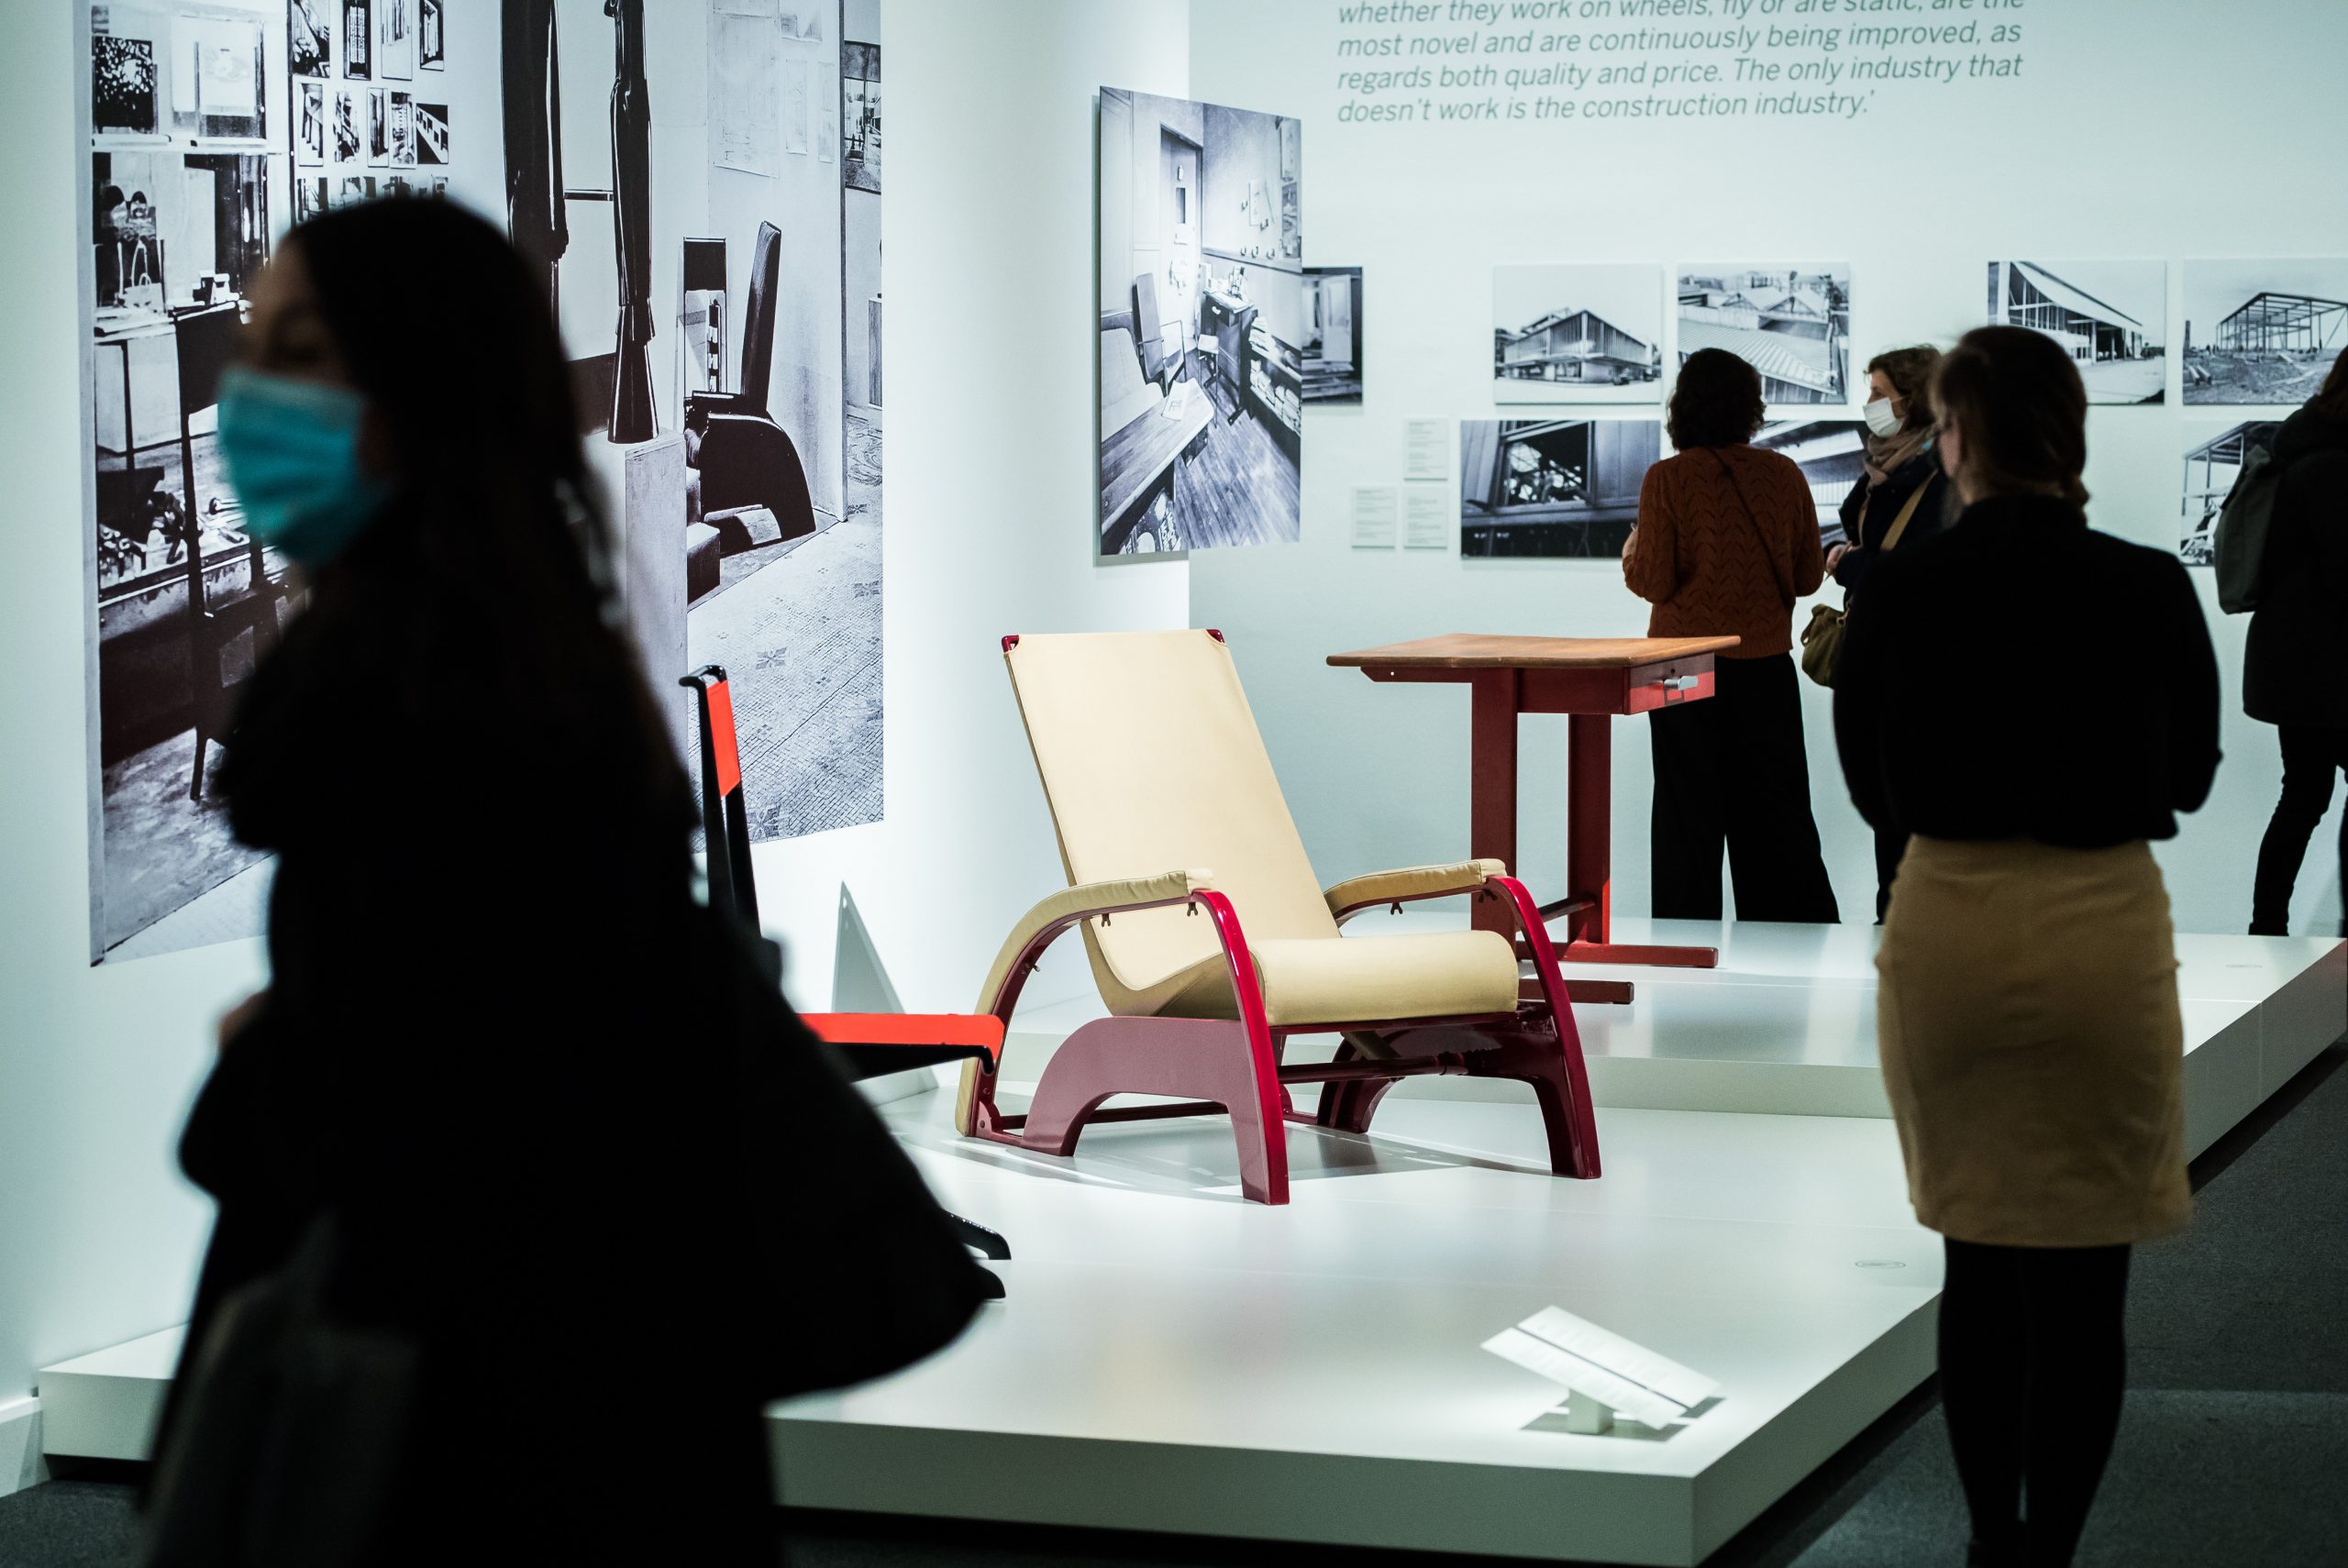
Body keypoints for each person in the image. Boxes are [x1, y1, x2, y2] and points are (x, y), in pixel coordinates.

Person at [147, 199, 986, 1566]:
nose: (250, 396)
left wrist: (270, 1061)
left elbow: (434, 1104)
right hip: (599, 1410)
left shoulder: (419, 711)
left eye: (296, 350)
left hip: (488, 1437)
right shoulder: (523, 663)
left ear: (413, 392)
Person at [1833, 326, 2221, 1568]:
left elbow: (1869, 784)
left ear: (1952, 439)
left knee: (1977, 1256)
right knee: (2085, 1280)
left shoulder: (1903, 590)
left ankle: (1989, 1546)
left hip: (1948, 916)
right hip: (2101, 920)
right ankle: (2048, 1550)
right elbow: (2192, 775)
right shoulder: (2146, 584)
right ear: (2071, 433)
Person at [1623, 347, 1840, 923]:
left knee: (1684, 812)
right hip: (1764, 665)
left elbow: (1652, 581)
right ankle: (1787, 943)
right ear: (1751, 407)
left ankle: (1685, 941)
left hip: (1676, 669)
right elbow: (1806, 577)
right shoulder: (1784, 474)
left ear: (1683, 406)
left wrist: (1630, 553)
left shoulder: (1666, 479)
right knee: (1775, 812)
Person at [1823, 344, 1952, 920]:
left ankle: (1915, 926)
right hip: (1880, 658)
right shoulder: (1884, 463)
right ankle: (1893, 924)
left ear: (1913, 399)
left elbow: (1923, 574)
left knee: (1916, 811)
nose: (1870, 403)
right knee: (1890, 812)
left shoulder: (1942, 472)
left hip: (1921, 664)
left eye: (1879, 393)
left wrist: (1851, 567)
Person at [2244, 347, 2348, 936]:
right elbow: (2344, 572)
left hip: (2297, 666)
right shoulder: (2333, 464)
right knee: (2307, 797)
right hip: (2329, 666)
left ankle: (2267, 930)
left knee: (2303, 796)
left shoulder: (2301, 447)